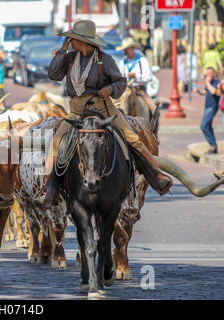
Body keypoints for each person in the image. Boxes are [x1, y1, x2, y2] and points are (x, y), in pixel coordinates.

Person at [42, 20, 172, 206]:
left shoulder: (104, 59)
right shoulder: (69, 58)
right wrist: (62, 50)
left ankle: (157, 176)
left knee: (132, 138)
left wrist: (110, 89)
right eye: (69, 40)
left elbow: (121, 82)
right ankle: (50, 188)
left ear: (84, 41)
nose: (71, 42)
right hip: (77, 111)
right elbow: (53, 75)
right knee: (56, 144)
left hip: (103, 108)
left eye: (73, 39)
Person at [117, 37, 157, 113]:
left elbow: (149, 77)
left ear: (132, 48)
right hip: (125, 91)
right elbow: (119, 77)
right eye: (124, 49)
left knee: (154, 110)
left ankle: (152, 123)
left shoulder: (142, 60)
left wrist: (136, 76)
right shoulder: (122, 62)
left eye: (126, 49)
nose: (125, 51)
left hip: (139, 91)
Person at [194, 67, 222, 154]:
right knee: (208, 126)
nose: (208, 76)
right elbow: (205, 92)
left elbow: (214, 91)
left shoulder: (217, 82)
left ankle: (213, 144)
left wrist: (207, 82)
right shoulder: (210, 83)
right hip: (207, 107)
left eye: (209, 74)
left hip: (212, 107)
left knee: (203, 126)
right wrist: (198, 91)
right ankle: (213, 147)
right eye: (207, 74)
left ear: (214, 73)